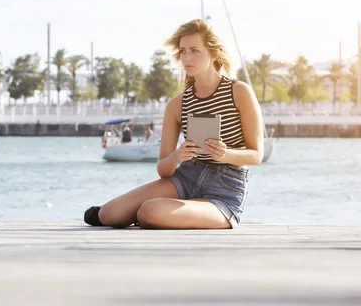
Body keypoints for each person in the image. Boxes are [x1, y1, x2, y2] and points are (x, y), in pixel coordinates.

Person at [83, 19, 264, 229]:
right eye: (183, 51)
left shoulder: (239, 92)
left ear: (213, 53)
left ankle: (192, 210)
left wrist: (226, 155)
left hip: (224, 187)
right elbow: (163, 169)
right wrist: (178, 156)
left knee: (149, 212)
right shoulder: (177, 104)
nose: (186, 58)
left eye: (194, 50)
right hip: (185, 177)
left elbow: (256, 155)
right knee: (108, 215)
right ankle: (182, 209)